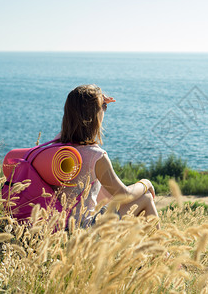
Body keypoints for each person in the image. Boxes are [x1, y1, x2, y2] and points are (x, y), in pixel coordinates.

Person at [56, 84, 160, 228]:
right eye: (103, 107)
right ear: (94, 116)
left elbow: (76, 113)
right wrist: (145, 183)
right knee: (146, 198)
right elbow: (125, 194)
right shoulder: (95, 156)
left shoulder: (58, 146)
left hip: (56, 228)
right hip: (83, 231)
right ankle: (160, 251)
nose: (104, 109)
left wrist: (96, 102)